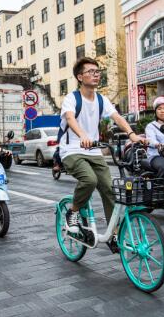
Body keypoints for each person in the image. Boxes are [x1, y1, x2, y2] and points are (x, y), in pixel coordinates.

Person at [60, 57, 142, 233]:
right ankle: (72, 212)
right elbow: (70, 118)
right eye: (91, 72)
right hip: (72, 150)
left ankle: (114, 233)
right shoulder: (71, 98)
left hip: (94, 151)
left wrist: (132, 134)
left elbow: (117, 117)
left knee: (110, 189)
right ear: (80, 77)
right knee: (90, 180)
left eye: (98, 72)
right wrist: (83, 135)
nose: (96, 75)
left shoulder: (101, 99)